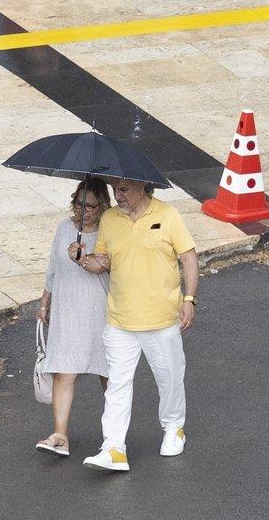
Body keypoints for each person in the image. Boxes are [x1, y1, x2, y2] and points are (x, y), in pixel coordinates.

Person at [69, 178, 198, 472]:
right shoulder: (111, 219)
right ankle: (114, 447)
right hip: (120, 320)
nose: (118, 195)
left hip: (161, 319)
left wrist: (189, 299)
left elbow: (188, 258)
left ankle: (173, 427)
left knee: (169, 379)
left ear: (143, 187)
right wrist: (81, 259)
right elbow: (102, 262)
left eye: (124, 190)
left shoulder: (167, 215)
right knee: (117, 384)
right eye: (116, 190)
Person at [35, 178, 112, 456]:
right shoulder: (64, 228)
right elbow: (52, 268)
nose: (83, 212)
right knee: (64, 373)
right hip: (67, 313)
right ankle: (60, 435)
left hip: (100, 313)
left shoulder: (110, 230)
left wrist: (84, 256)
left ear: (103, 205)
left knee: (108, 376)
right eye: (79, 204)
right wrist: (45, 303)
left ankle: (115, 437)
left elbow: (111, 266)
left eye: (90, 206)